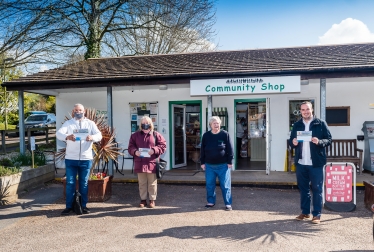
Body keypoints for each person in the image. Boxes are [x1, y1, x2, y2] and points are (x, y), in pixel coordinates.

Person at [289, 101, 332, 224]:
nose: (305, 112)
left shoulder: (320, 123)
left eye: (307, 109)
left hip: (316, 162)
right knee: (303, 189)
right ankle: (305, 212)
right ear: (300, 111)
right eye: (303, 110)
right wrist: (294, 142)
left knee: (317, 188)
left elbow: (329, 140)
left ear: (312, 109)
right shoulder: (297, 124)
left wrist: (319, 142)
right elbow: (291, 141)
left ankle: (317, 214)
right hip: (301, 162)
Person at [56, 103, 102, 215]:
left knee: (84, 183)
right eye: (76, 110)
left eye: (80, 110)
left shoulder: (90, 124)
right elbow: (58, 134)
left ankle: (83, 206)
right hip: (71, 158)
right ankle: (69, 206)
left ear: (84, 111)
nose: (78, 112)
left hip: (86, 158)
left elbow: (99, 135)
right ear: (73, 111)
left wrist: (92, 137)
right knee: (70, 183)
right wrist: (67, 137)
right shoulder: (68, 123)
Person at [128, 116, 166, 208]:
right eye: (143, 123)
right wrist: (135, 152)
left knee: (152, 183)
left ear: (150, 125)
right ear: (140, 125)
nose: (145, 125)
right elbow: (130, 147)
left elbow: (163, 146)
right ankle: (143, 200)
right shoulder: (135, 135)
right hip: (140, 163)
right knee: (142, 183)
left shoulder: (156, 135)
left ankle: (152, 200)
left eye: (147, 123)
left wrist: (154, 150)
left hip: (151, 162)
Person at [200, 116, 234, 211]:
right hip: (209, 165)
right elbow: (202, 149)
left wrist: (230, 161)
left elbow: (230, 149)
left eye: (218, 123)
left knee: (225, 185)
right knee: (210, 185)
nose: (216, 125)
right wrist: (202, 162)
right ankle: (211, 202)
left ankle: (228, 203)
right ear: (210, 125)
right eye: (214, 123)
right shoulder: (206, 135)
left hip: (223, 165)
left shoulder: (225, 134)